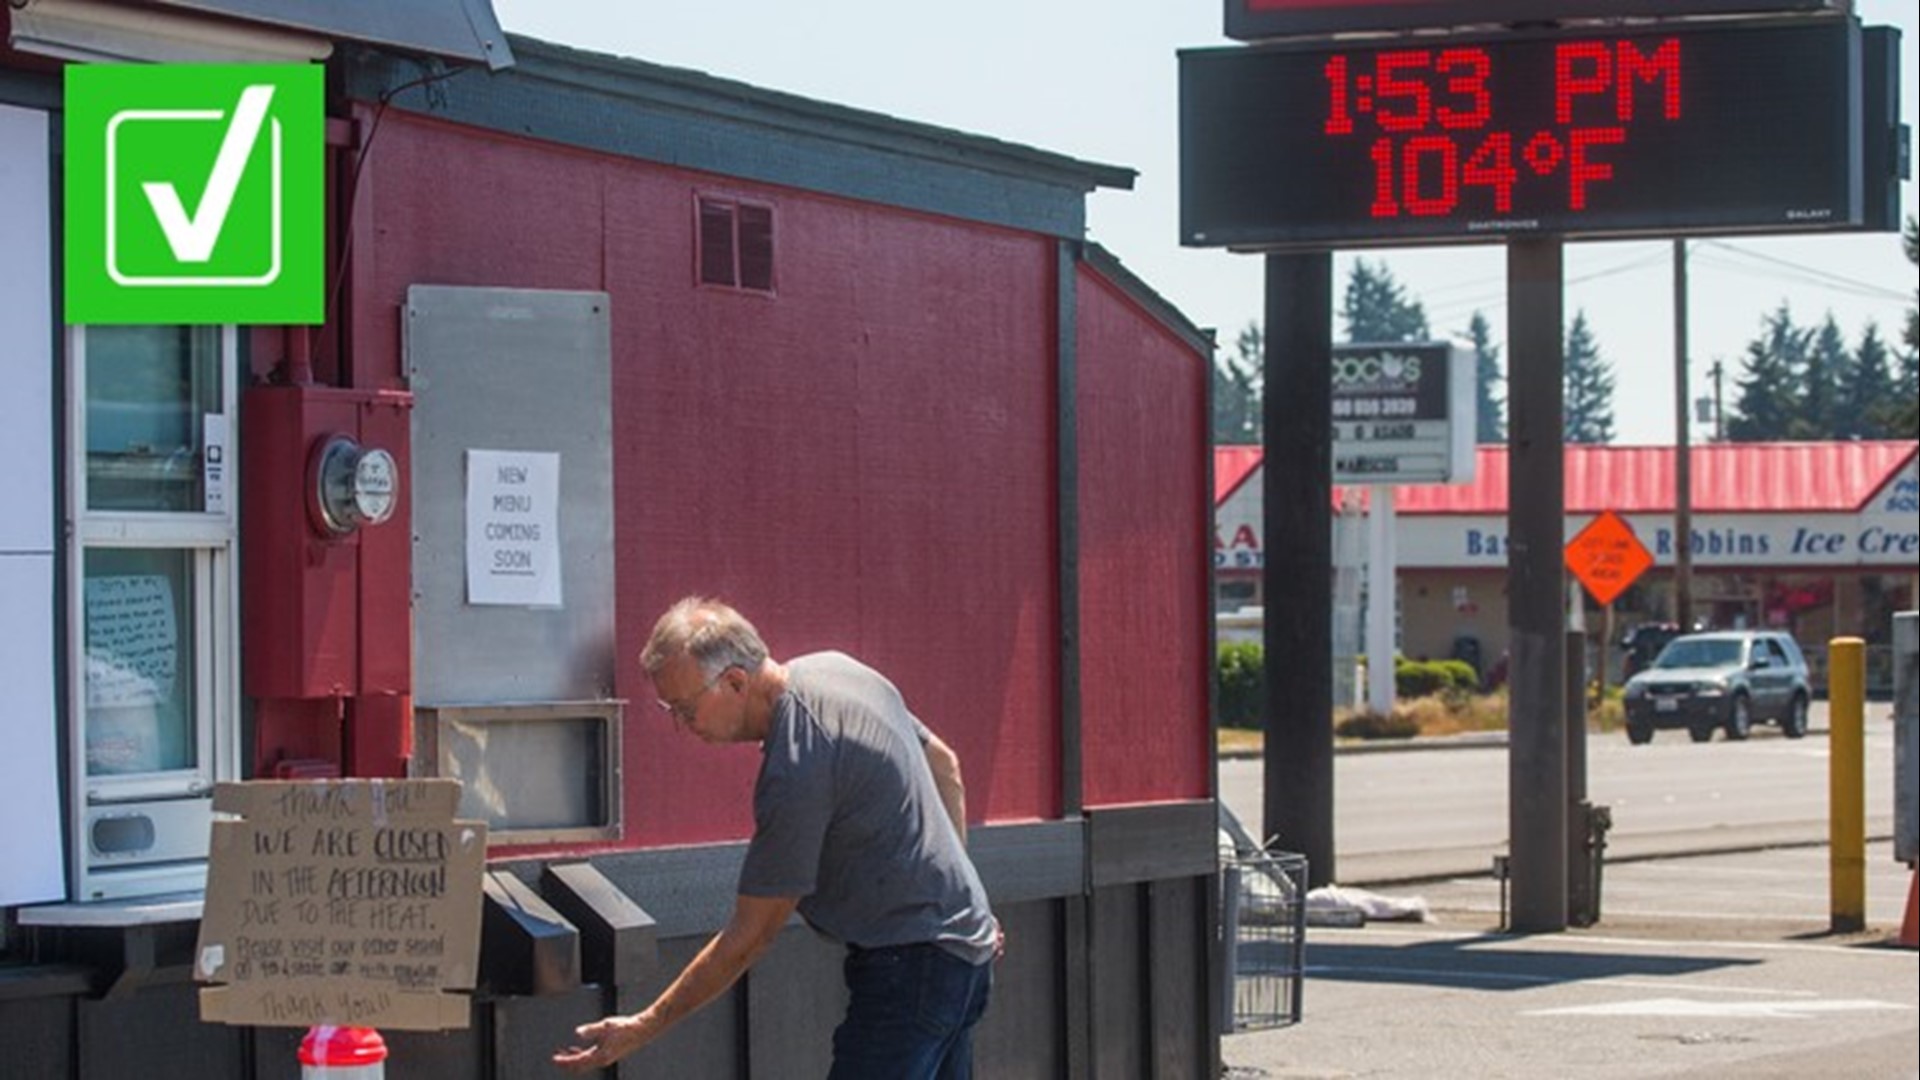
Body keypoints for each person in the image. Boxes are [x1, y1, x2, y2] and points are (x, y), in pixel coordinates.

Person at [554, 597, 998, 1078]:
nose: (682, 726)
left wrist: (646, 1024)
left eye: (684, 708)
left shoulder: (797, 765)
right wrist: (966, 899)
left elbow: (752, 934)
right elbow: (946, 766)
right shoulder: (838, 669)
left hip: (912, 971)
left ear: (735, 682)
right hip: (965, 954)